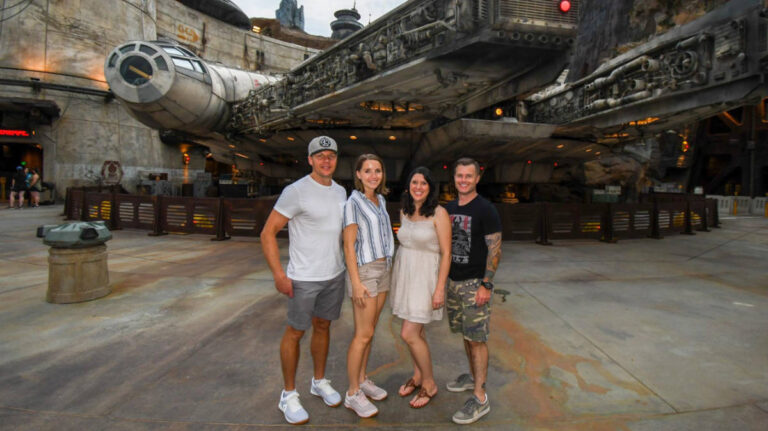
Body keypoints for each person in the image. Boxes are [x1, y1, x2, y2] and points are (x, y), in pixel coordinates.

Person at [260, 136, 347, 425]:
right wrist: (279, 274)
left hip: (334, 274)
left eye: (330, 156)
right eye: (319, 155)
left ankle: (318, 381)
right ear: (310, 159)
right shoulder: (295, 191)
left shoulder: (340, 191)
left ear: (336, 160)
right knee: (295, 332)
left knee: (323, 327)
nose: (326, 160)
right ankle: (288, 394)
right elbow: (268, 232)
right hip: (304, 278)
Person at [444, 157, 502, 425]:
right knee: (467, 335)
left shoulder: (486, 209)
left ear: (477, 178)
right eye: (459, 176)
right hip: (453, 283)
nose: (463, 180)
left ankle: (480, 397)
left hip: (474, 285)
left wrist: (486, 284)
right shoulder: (449, 208)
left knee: (477, 339)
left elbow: (495, 249)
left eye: (469, 176)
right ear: (454, 178)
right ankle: (473, 376)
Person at [389, 167, 451, 409]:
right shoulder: (405, 210)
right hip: (405, 275)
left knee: (409, 333)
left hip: (426, 277)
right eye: (414, 182)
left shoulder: (439, 213)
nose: (418, 187)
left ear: (430, 187)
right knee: (418, 332)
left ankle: (429, 383)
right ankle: (417, 375)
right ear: (408, 186)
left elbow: (446, 253)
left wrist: (439, 289)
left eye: (423, 183)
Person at [342, 154, 394, 418]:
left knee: (370, 331)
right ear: (359, 175)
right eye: (368, 171)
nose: (374, 175)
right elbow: (348, 245)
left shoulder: (380, 200)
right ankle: (352, 394)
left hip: (384, 269)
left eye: (378, 170)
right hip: (365, 271)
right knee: (362, 334)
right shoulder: (353, 203)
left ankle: (362, 379)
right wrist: (356, 282)